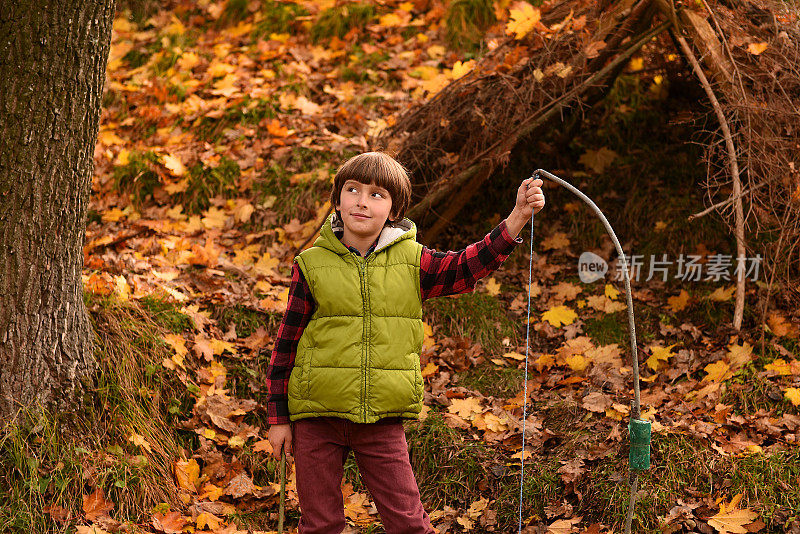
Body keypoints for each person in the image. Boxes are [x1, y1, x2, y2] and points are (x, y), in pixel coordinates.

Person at [265, 151, 545, 533]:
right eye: (353, 190)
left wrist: (517, 219)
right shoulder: (311, 263)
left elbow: (464, 268)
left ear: (394, 210)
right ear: (337, 200)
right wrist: (279, 416)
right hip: (316, 416)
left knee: (408, 522)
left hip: (382, 418)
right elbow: (287, 343)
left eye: (377, 194)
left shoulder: (414, 261)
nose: (362, 201)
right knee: (320, 523)